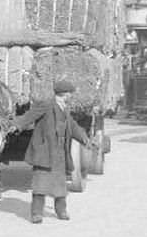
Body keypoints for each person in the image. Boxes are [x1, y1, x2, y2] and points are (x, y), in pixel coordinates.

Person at [11, 79, 96, 224]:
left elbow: (73, 126)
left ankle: (61, 211)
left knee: (60, 184)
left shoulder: (65, 108)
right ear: (65, 94)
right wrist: (15, 125)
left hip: (60, 152)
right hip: (45, 150)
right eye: (70, 93)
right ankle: (36, 213)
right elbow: (30, 116)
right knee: (40, 183)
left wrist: (85, 140)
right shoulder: (46, 105)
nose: (71, 96)